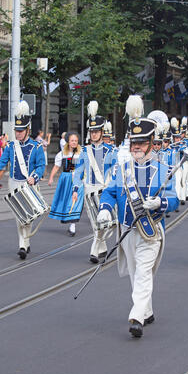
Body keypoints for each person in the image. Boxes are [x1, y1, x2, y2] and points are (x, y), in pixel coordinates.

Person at [97, 95, 178, 338]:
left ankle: (136, 318)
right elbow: (110, 192)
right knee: (136, 274)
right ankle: (147, 311)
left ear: (152, 144)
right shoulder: (123, 170)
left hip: (151, 231)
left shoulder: (162, 170)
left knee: (143, 272)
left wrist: (160, 202)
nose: (137, 148)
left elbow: (174, 198)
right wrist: (104, 208)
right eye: (134, 143)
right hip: (126, 230)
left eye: (142, 144)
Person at [0, 101, 45, 259]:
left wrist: (34, 177)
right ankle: (22, 244)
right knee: (19, 216)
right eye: (16, 131)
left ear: (28, 130)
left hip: (28, 184)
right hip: (14, 184)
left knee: (27, 216)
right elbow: (2, 160)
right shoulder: (11, 146)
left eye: (21, 131)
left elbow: (41, 166)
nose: (17, 133)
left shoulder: (36, 147)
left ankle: (25, 242)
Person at [72, 100, 116, 264]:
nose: (94, 134)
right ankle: (102, 247)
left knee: (103, 222)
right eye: (92, 131)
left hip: (105, 190)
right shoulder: (84, 151)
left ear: (102, 131)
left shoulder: (111, 151)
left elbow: (117, 171)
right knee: (95, 222)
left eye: (97, 131)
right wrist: (76, 189)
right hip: (89, 190)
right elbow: (77, 172)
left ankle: (94, 249)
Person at [48, 132, 84, 236]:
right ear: (68, 141)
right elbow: (56, 167)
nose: (74, 142)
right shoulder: (62, 154)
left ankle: (72, 227)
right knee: (66, 201)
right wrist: (51, 178)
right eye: (72, 140)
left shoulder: (82, 153)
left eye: (76, 141)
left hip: (78, 180)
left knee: (74, 202)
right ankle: (70, 223)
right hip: (66, 179)